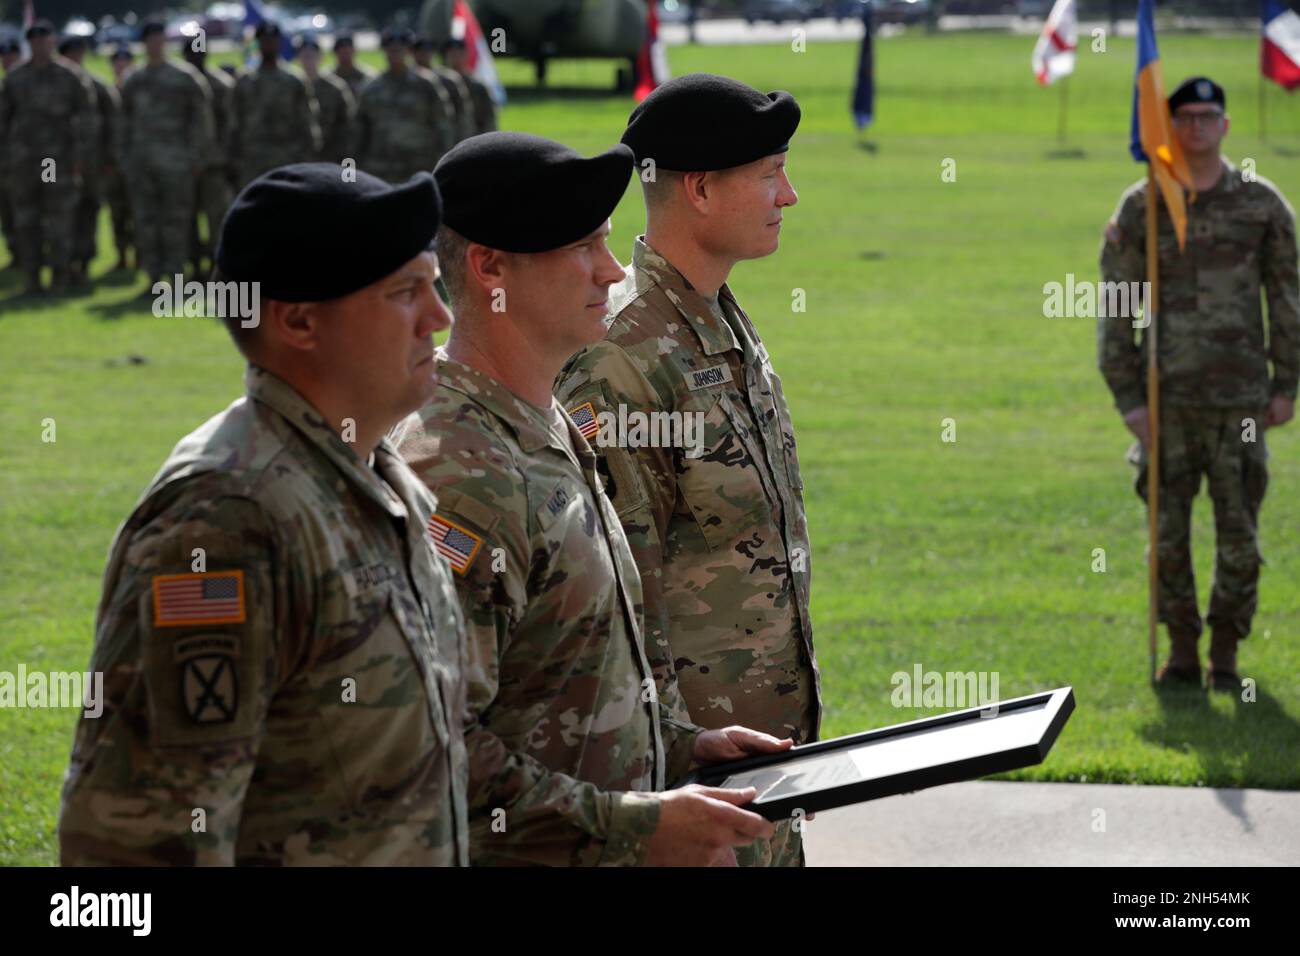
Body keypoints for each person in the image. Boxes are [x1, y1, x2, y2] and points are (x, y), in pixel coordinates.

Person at [396, 132, 790, 866]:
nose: (612, 271)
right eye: (582, 248)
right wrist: (639, 826)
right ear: (490, 268)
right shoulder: (456, 471)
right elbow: (439, 745)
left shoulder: (545, 425)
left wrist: (679, 747)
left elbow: (565, 677)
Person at [59, 163, 469, 866]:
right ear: (299, 321)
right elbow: (141, 843)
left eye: (434, 286)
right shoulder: (226, 520)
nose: (440, 317)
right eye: (405, 293)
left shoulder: (372, 476)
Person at [554, 74, 820, 868]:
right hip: (687, 791)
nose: (790, 195)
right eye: (771, 173)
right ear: (700, 189)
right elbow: (620, 600)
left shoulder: (715, 316)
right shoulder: (623, 358)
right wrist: (670, 769)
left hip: (759, 763)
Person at [1099, 76, 1300, 691]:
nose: (1196, 126)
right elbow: (1118, 303)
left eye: (1208, 115)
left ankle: (1226, 656)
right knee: (1167, 540)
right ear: (1170, 126)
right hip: (1167, 403)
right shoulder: (1145, 205)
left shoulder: (1262, 204)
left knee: (1240, 537)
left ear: (1226, 125)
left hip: (1241, 403)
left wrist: (1287, 382)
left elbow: (1287, 297)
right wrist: (1129, 398)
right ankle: (1181, 650)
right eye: (1184, 116)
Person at [0, 20, 94, 295]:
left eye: (45, 41)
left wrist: (79, 157)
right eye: (35, 42)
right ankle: (31, 278)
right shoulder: (15, 78)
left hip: (53, 162)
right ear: (29, 44)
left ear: (52, 42)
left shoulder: (69, 76)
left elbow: (87, 117)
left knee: (57, 218)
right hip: (24, 162)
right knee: (27, 219)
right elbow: (3, 121)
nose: (40, 47)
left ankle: (59, 276)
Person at [118, 20, 212, 288]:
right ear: (144, 44)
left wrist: (195, 158)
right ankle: (153, 276)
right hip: (142, 164)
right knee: (146, 221)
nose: (156, 45)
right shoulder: (134, 79)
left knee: (176, 221)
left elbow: (200, 122)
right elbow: (122, 124)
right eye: (151, 40)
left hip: (177, 164)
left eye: (160, 39)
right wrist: (126, 159)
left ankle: (176, 277)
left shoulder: (184, 77)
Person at [353, 28, 455, 185]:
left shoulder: (426, 84)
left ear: (408, 52)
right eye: (390, 50)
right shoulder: (371, 87)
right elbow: (358, 130)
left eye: (399, 50)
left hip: (418, 167)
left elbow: (442, 125)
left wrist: (442, 163)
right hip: (379, 169)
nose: (394, 55)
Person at [59, 34, 121, 289]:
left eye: (79, 53)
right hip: (59, 164)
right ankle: (62, 265)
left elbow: (113, 124)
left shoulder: (98, 86)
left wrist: (109, 158)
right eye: (70, 54)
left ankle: (83, 263)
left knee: (89, 211)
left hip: (93, 164)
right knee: (61, 213)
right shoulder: (54, 84)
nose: (76, 58)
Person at [228, 22, 319, 189]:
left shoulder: (294, 80)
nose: (268, 45)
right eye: (264, 41)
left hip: (287, 159)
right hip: (251, 161)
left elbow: (307, 124)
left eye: (272, 40)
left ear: (279, 43)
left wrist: (306, 159)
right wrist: (233, 159)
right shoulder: (245, 80)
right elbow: (234, 123)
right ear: (258, 43)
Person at [183, 36, 236, 277]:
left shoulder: (221, 85)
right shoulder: (178, 84)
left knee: (217, 220)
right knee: (187, 221)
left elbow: (231, 127)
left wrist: (226, 159)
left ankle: (216, 270)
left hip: (215, 165)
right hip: (182, 165)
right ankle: (193, 268)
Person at [296, 36, 355, 165]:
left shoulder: (336, 88)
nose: (309, 61)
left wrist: (348, 166)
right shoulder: (292, 86)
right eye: (305, 56)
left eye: (312, 56)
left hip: (331, 158)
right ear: (298, 58)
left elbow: (348, 126)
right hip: (299, 158)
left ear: (320, 58)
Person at [413, 34, 471, 143]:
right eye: (420, 51)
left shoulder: (449, 80)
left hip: (443, 138)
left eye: (427, 50)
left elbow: (462, 115)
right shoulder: (407, 80)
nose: (424, 54)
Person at [440, 37, 495, 136]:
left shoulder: (477, 85)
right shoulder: (439, 83)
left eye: (459, 52)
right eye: (451, 52)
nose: (455, 56)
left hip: (470, 138)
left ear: (466, 54)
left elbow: (488, 118)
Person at [0, 37, 22, 270]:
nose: (7, 60)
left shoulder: (28, 85)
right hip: (6, 164)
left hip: (38, 163)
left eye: (11, 55)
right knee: (8, 210)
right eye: (4, 57)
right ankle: (17, 254)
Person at [328, 33, 376, 100]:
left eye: (348, 52)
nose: (345, 56)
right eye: (342, 52)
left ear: (355, 51)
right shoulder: (328, 77)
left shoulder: (367, 77)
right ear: (335, 53)